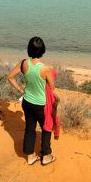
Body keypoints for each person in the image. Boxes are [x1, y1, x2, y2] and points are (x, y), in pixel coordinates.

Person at [7, 36, 56, 165]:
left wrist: (20, 89)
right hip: (41, 105)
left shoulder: (24, 63)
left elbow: (10, 77)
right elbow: (52, 87)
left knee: (30, 128)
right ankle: (46, 155)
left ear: (29, 49)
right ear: (42, 50)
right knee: (46, 128)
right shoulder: (45, 68)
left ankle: (30, 156)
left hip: (27, 102)